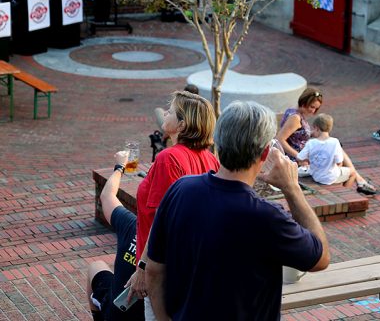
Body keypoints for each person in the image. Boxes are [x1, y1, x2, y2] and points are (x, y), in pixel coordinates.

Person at [144, 101, 330, 320]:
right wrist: (292, 188)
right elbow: (320, 259)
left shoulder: (181, 189)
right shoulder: (266, 216)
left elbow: (154, 270)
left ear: (219, 145)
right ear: (264, 154)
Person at [127, 91, 220, 319]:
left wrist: (142, 268)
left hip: (164, 270)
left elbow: (162, 220)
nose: (165, 113)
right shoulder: (211, 159)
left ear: (182, 124)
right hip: (195, 267)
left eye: (170, 111)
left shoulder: (168, 158)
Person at [278, 87, 376, 195]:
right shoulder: (296, 118)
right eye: (312, 107)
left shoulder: (293, 111)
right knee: (335, 148)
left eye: (316, 109)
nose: (313, 111)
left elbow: (297, 134)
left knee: (335, 146)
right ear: (304, 101)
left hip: (304, 154)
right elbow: (280, 139)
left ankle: (359, 181)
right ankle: (355, 185)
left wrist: (314, 133)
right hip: (298, 160)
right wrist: (299, 156)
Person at [86, 151, 144, 321]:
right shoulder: (180, 240)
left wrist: (119, 167)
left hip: (118, 312)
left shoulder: (131, 224)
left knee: (95, 266)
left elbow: (107, 196)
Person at [296, 113, 356, 187]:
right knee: (353, 173)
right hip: (331, 177)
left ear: (316, 128)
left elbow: (299, 157)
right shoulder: (335, 142)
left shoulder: (311, 143)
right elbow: (339, 162)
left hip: (316, 176)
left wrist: (308, 161)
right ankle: (346, 190)